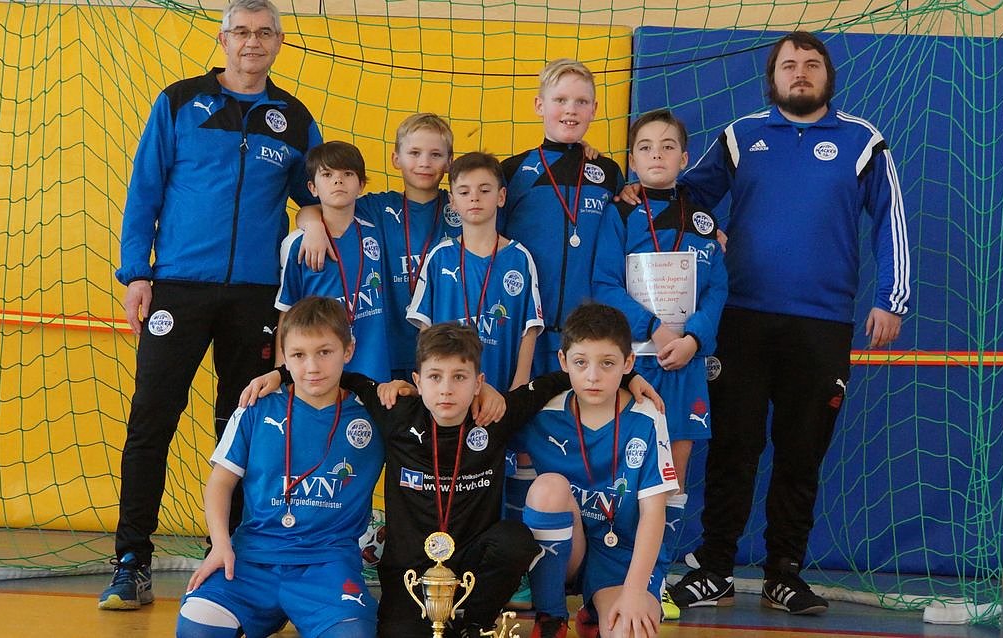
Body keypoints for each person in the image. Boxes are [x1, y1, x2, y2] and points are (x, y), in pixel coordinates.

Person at [655, 31, 911, 614]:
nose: (800, 73)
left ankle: (784, 573)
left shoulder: (862, 140)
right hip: (740, 320)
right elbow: (681, 196)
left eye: (811, 64)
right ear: (772, 78)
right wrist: (678, 215)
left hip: (822, 324)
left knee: (800, 453)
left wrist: (892, 298)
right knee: (733, 448)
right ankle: (714, 568)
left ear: (828, 76)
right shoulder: (741, 136)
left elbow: (890, 218)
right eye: (789, 64)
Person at [103, 0, 322, 611]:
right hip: (177, 287)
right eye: (242, 32)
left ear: (278, 43)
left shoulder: (294, 118)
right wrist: (137, 273)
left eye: (265, 33)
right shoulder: (179, 101)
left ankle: (229, 556)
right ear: (223, 41)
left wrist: (311, 218)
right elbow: (145, 187)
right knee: (152, 420)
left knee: (242, 426)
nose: (253, 42)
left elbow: (314, 192)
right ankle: (131, 560)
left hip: (256, 296)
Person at [239, 322, 663, 637]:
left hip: (473, 566)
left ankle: (475, 624)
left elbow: (559, 377)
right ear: (417, 381)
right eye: (435, 377)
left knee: (515, 540)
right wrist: (280, 374)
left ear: (478, 383)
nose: (446, 390)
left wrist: (628, 374)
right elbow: (341, 375)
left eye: (459, 378)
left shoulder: (494, 416)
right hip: (409, 573)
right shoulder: (395, 413)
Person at [176, 297, 383, 638]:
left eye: (325, 352)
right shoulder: (255, 407)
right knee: (196, 627)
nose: (312, 367)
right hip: (251, 560)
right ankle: (265, 613)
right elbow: (220, 483)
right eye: (299, 355)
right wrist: (220, 544)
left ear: (348, 350)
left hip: (327, 565)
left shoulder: (375, 416)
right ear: (284, 357)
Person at [592, 109, 728, 621]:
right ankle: (615, 576)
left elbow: (717, 289)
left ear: (685, 157)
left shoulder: (703, 221)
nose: (657, 155)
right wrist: (652, 328)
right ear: (631, 159)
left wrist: (693, 338)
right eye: (645, 147)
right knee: (624, 469)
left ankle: (656, 580)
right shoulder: (619, 213)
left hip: (684, 364)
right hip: (631, 366)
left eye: (668, 146)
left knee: (674, 475)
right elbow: (604, 283)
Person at [499, 57, 625, 553]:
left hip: (585, 343)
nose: (570, 110)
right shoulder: (513, 172)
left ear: (594, 109)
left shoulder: (608, 173)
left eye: (581, 101)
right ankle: (523, 559)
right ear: (539, 105)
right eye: (560, 100)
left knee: (577, 445)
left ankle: (580, 556)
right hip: (526, 335)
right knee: (522, 447)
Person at [513, 303, 678, 638]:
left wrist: (634, 591)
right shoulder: (543, 413)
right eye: (581, 362)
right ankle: (551, 616)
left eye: (607, 364)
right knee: (547, 489)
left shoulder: (646, 415)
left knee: (630, 632)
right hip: (567, 552)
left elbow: (653, 513)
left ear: (628, 363)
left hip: (622, 557)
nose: (592, 376)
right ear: (563, 362)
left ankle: (595, 613)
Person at [407, 152, 544, 390]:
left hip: (502, 392)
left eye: (484, 190)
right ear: (452, 201)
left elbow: (530, 329)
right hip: (448, 393)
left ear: (501, 196)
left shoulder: (520, 258)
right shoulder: (439, 257)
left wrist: (519, 387)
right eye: (464, 192)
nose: (474, 198)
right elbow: (425, 329)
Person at [277, 141, 390, 381]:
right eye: (327, 174)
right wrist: (282, 374)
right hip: (319, 372)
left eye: (347, 174)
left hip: (374, 370)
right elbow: (287, 313)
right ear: (312, 187)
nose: (338, 181)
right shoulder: (297, 244)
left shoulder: (377, 234)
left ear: (361, 185)